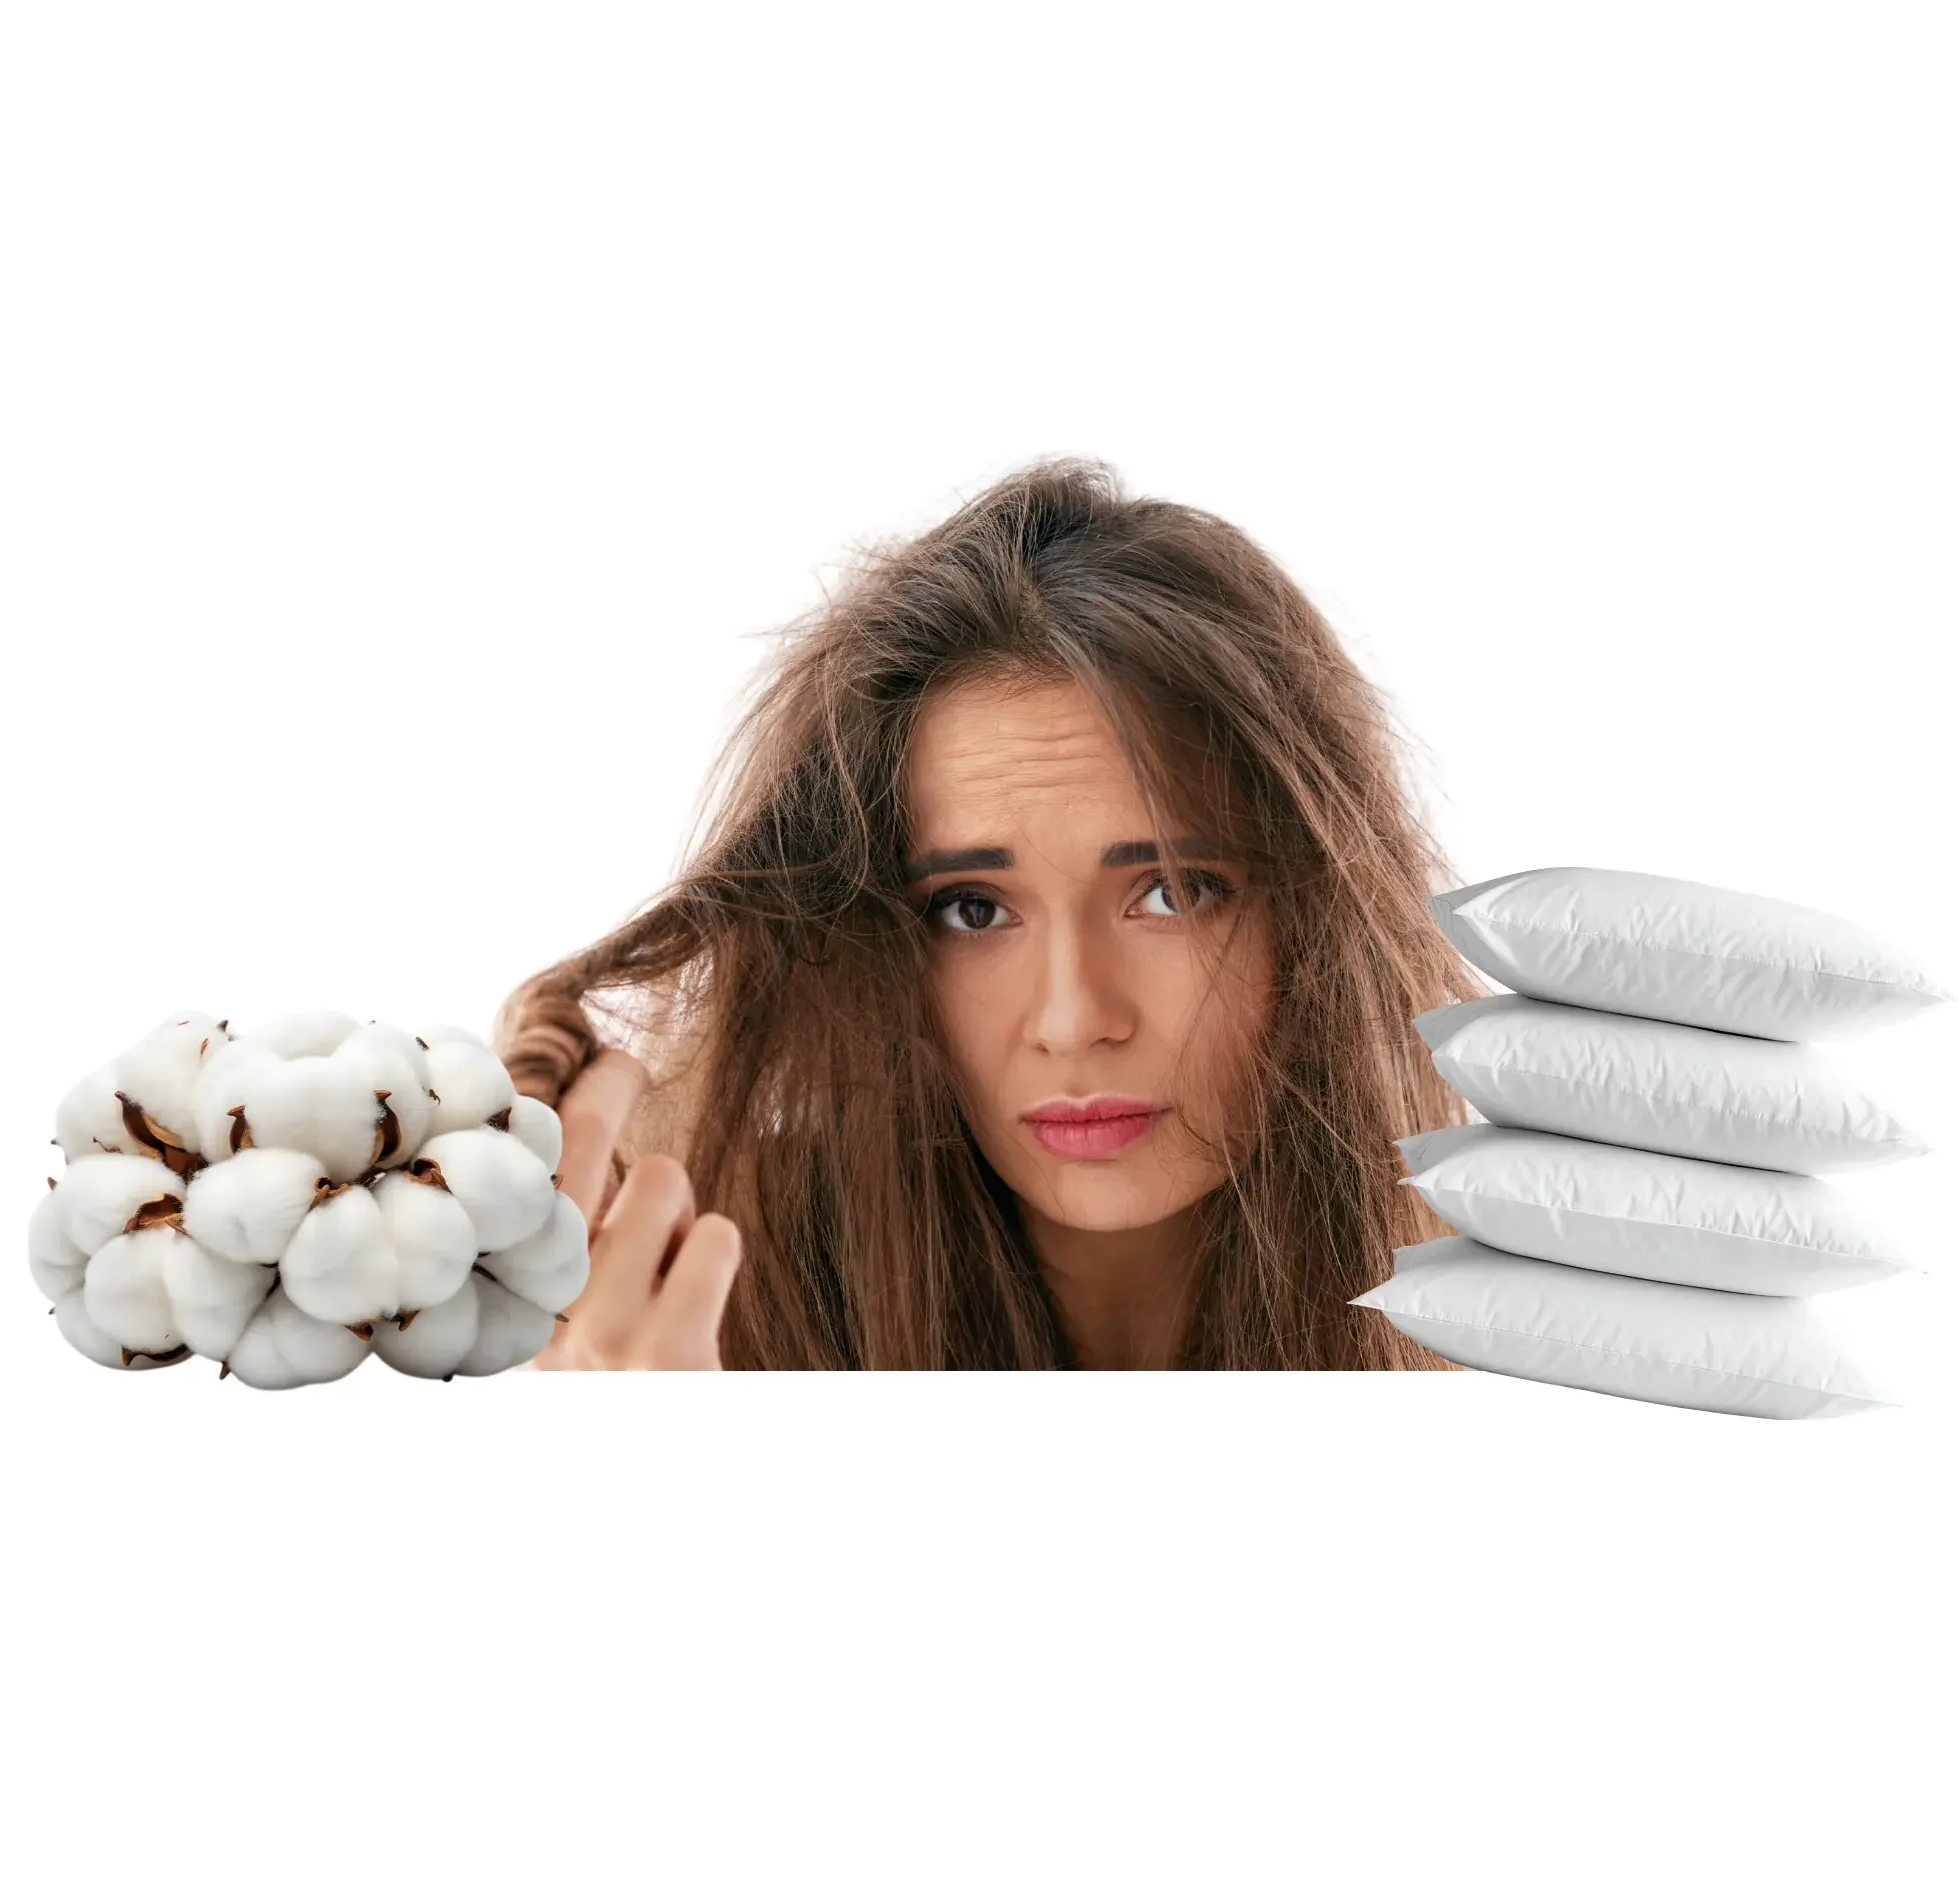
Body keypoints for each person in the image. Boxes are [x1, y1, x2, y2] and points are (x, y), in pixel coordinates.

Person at [493, 457, 1486, 1369]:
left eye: (1170, 893)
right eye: (972, 910)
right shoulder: (688, 1317)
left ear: (1317, 920)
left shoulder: (1514, 1318)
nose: (1070, 1019)